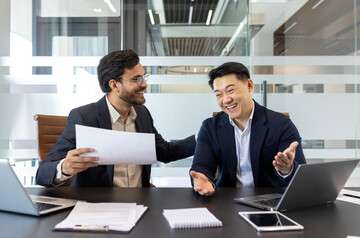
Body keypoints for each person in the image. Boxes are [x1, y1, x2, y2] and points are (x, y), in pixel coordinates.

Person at [36, 49, 196, 188]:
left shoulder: (142, 114)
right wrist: (64, 168)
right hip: (100, 208)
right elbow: (43, 172)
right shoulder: (84, 118)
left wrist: (203, 136)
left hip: (140, 204)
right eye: (136, 79)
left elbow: (164, 152)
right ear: (114, 85)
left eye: (144, 77)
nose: (145, 84)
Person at [190, 62, 306, 196]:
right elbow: (201, 168)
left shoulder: (281, 124)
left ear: (249, 85)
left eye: (231, 90)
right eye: (218, 94)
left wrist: (287, 169)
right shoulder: (210, 127)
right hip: (226, 203)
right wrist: (202, 181)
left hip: (269, 203)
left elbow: (301, 178)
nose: (226, 99)